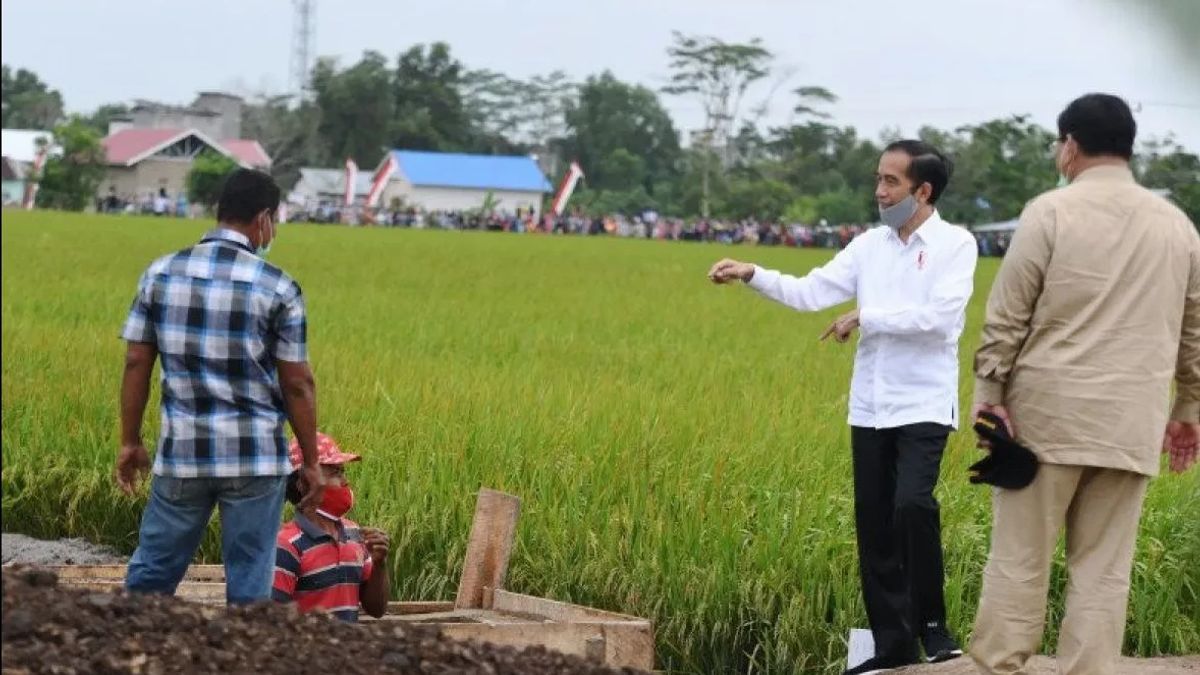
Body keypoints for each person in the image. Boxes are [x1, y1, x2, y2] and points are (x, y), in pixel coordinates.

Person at [709, 140, 978, 674]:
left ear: (922, 191)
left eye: (891, 182)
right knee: (875, 525)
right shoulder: (868, 247)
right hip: (871, 405)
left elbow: (941, 319)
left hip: (922, 402)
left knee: (912, 506)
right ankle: (893, 646)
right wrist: (751, 273)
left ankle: (934, 629)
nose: (879, 191)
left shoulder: (955, 244)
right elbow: (810, 291)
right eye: (879, 179)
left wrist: (867, 316)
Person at [968, 93, 1199, 675]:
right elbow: (1194, 333)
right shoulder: (1178, 226)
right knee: (1103, 568)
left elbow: (1007, 317)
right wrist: (1189, 409)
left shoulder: (1050, 212)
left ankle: (998, 666)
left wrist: (988, 400)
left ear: (1069, 145)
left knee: (1021, 557)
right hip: (1131, 423)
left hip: (1044, 418)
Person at [116, 168, 326, 605]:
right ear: (265, 219)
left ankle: (125, 650)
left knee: (153, 569)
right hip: (254, 457)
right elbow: (298, 383)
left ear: (220, 211)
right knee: (251, 578)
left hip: (182, 453)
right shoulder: (278, 286)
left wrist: (130, 440)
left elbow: (137, 360)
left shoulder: (160, 273)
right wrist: (309, 460)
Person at [272, 432, 391, 621]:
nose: (345, 481)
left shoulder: (353, 533)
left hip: (347, 650)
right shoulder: (287, 545)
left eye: (343, 472)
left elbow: (376, 609)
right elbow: (275, 621)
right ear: (304, 482)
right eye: (335, 473)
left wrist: (379, 563)